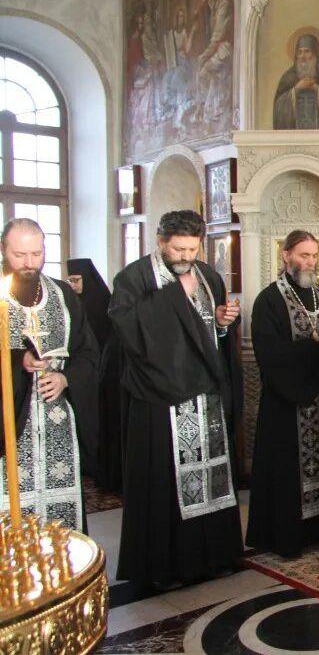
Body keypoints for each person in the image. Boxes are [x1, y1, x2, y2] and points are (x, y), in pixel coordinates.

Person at [110, 210, 243, 589]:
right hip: (161, 400)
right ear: (160, 241)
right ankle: (165, 567)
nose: (185, 256)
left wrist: (221, 321)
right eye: (178, 248)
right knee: (165, 484)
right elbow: (127, 333)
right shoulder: (133, 278)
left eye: (192, 248)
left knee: (211, 477)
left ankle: (212, 556)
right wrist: (172, 295)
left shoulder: (208, 276)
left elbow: (210, 331)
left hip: (205, 398)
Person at [246, 231, 319, 558]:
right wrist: (312, 350)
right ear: (286, 255)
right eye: (303, 255)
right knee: (288, 468)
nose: (310, 261)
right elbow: (270, 352)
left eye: (313, 256)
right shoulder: (269, 300)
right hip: (288, 400)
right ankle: (289, 535)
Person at [0, 220, 98, 531]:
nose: (29, 263)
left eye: (36, 253)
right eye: (19, 255)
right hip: (8, 423)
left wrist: (66, 378)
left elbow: (89, 353)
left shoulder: (64, 295)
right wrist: (18, 360)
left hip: (58, 421)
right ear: (4, 251)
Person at [67, 258, 121, 492]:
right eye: (70, 280)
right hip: (78, 372)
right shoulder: (71, 302)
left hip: (101, 371)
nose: (73, 285)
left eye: (76, 280)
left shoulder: (101, 301)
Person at [273, 33, 319, 130]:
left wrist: (317, 89)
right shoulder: (288, 77)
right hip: (294, 138)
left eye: (307, 51)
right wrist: (296, 89)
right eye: (300, 52)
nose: (303, 56)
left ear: (315, 53)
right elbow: (278, 109)